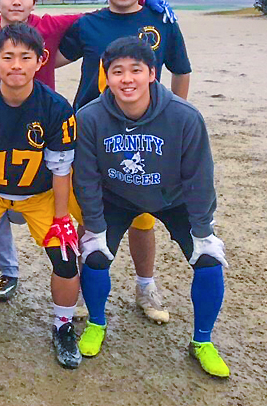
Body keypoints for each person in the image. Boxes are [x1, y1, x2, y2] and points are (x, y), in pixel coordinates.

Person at [0, 0, 177, 304]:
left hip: (47, 132)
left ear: (34, 1)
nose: (17, 2)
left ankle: (89, 281)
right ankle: (8, 271)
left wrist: (144, 3)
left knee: (78, 207)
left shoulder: (49, 26)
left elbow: (101, 16)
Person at [73, 36, 229, 378]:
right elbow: (85, 177)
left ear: (152, 74)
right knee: (94, 254)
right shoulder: (89, 118)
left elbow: (200, 178)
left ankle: (202, 341)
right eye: (117, 72)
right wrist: (95, 225)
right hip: (116, 197)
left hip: (173, 199)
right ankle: (97, 323)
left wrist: (202, 230)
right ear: (107, 77)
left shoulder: (184, 116)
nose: (127, 79)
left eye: (135, 70)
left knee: (208, 259)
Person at [57, 0, 193, 323]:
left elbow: (181, 69)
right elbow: (49, 58)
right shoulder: (88, 24)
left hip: (144, 132)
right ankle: (87, 285)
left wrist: (172, 117)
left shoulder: (161, 19)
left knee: (142, 216)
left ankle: (145, 284)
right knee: (89, 208)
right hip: (91, 131)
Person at [0, 23, 82, 368]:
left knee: (66, 255)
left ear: (41, 61)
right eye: (8, 57)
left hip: (39, 194)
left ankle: (63, 326)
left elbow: (61, 168)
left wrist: (62, 217)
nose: (17, 65)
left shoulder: (55, 107)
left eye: (25, 57)